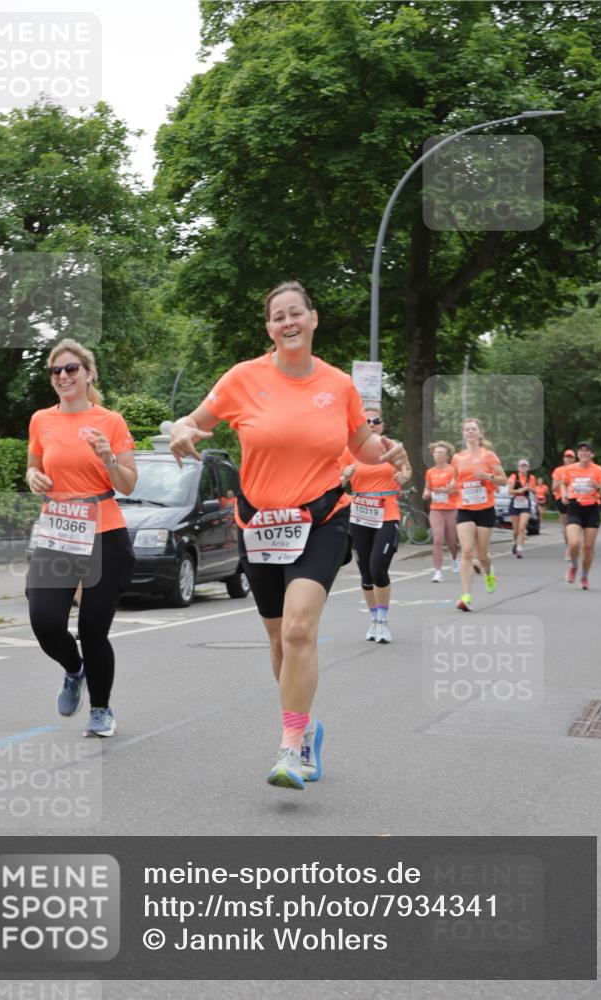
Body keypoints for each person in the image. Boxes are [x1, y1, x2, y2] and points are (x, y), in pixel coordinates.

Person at [169, 281, 406, 790]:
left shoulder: (338, 385)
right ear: (269, 329)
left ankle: (289, 747)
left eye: (295, 313)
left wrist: (389, 451)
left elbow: (363, 444)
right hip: (259, 525)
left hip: (321, 519)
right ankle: (307, 726)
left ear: (313, 319)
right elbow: (192, 421)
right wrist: (182, 430)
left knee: (299, 629)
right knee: (278, 639)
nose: (288, 322)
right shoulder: (242, 378)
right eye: (278, 317)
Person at [26, 339, 137, 737]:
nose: (63, 376)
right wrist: (33, 477)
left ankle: (101, 709)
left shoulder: (111, 421)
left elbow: (128, 483)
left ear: (89, 374)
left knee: (93, 630)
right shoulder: (41, 420)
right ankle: (75, 670)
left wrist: (109, 458)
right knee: (44, 621)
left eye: (71, 368)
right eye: (56, 371)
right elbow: (34, 468)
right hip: (58, 532)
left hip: (104, 533)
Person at [340, 406, 411, 643]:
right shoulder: (349, 451)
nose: (371, 424)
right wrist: (345, 477)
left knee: (378, 567)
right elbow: (337, 483)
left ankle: (383, 620)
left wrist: (404, 476)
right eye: (367, 421)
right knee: (366, 574)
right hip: (360, 514)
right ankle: (373, 619)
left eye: (376, 421)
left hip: (386, 512)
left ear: (382, 425)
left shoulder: (393, 447)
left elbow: (406, 471)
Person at [451, 417, 507, 612]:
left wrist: (488, 477)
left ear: (480, 433)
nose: (470, 432)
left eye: (473, 429)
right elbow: (455, 481)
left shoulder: (488, 455)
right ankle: (466, 596)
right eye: (467, 429)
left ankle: (489, 573)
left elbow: (503, 480)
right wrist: (449, 487)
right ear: (463, 434)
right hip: (465, 508)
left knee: (482, 556)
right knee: (467, 551)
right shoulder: (457, 458)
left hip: (485, 509)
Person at [560, 442, 601, 589]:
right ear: (578, 454)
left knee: (588, 547)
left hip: (592, 509)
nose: (584, 453)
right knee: (574, 543)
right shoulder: (570, 469)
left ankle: (584, 576)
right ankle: (574, 565)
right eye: (581, 451)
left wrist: (597, 487)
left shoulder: (598, 470)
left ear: (592, 454)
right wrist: (564, 494)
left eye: (587, 451)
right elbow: (563, 483)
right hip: (574, 507)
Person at [422, 440, 459, 583]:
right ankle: (438, 572)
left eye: (441, 453)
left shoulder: (452, 470)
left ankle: (455, 558)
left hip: (451, 508)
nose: (438, 455)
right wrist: (426, 493)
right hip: (436, 509)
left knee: (451, 541)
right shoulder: (430, 472)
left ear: (447, 456)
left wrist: (446, 490)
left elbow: (457, 489)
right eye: (436, 453)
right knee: (437, 539)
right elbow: (427, 488)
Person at [507, 459, 536, 558]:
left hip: (525, 504)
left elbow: (534, 490)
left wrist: (530, 488)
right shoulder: (514, 476)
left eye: (525, 466)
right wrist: (519, 490)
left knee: (522, 527)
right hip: (515, 504)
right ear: (518, 467)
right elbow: (509, 491)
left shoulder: (531, 478)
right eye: (521, 466)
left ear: (528, 468)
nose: (523, 468)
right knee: (516, 531)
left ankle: (519, 549)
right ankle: (515, 543)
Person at [551, 449, 576, 559]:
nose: (568, 459)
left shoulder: (577, 469)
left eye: (571, 457)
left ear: (574, 459)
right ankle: (569, 548)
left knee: (576, 523)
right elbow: (553, 488)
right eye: (567, 457)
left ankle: (579, 545)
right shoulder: (558, 470)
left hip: (575, 498)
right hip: (561, 499)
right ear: (563, 458)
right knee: (566, 525)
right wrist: (561, 482)